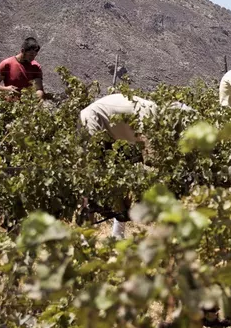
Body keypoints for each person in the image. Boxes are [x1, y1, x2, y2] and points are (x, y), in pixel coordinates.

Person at [78, 92, 195, 238]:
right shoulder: (151, 119)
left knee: (123, 180)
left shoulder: (156, 116)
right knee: (93, 176)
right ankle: (85, 237)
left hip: (111, 128)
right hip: (94, 119)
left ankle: (117, 233)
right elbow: (152, 162)